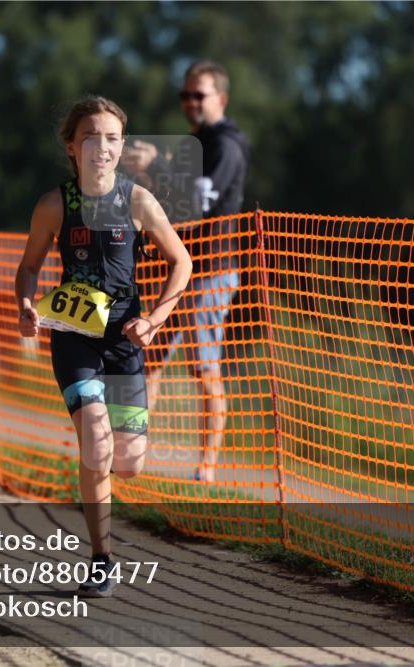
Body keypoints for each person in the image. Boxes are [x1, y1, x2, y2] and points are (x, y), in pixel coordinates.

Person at [16, 96, 191, 597]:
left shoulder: (138, 201)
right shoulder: (55, 206)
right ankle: (101, 560)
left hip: (124, 342)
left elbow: (181, 263)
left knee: (128, 462)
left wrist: (154, 320)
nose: (103, 147)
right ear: (72, 146)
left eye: (112, 137)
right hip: (74, 339)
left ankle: (102, 469)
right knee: (95, 442)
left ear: (122, 145)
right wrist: (26, 305)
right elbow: (29, 267)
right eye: (91, 137)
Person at [121, 60, 250, 483]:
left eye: (199, 95)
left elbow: (197, 203)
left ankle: (206, 471)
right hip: (178, 269)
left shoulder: (226, 145)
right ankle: (135, 452)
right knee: (149, 359)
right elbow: (173, 203)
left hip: (212, 270)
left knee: (203, 366)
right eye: (185, 95)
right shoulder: (193, 144)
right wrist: (148, 174)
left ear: (221, 99)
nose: (191, 102)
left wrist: (157, 165)